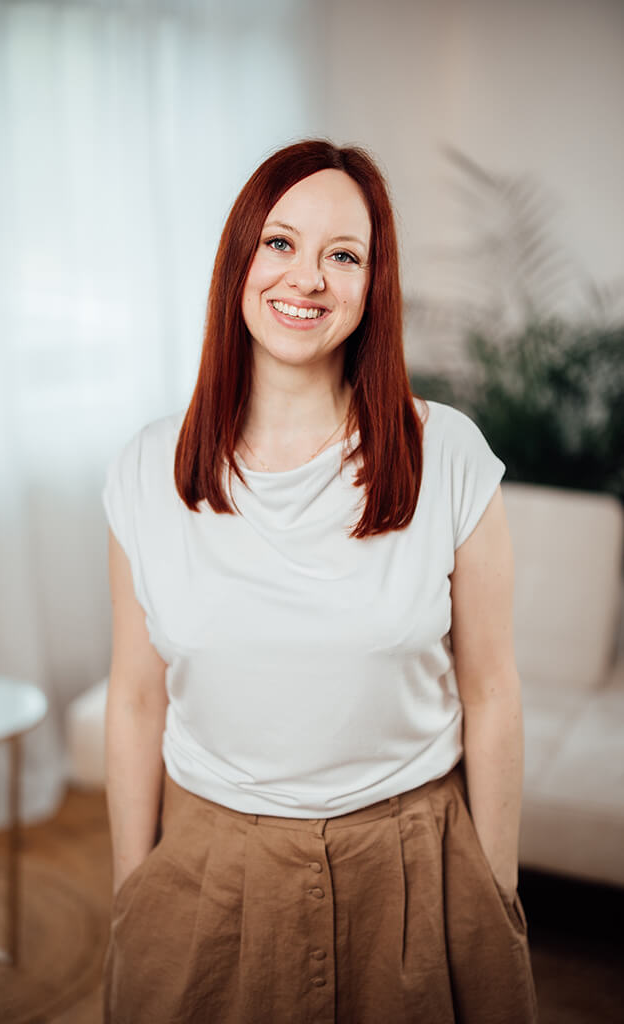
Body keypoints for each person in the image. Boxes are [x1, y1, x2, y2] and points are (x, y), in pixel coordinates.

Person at [101, 139, 538, 1023]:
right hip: (208, 864)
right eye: (280, 243)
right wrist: (132, 890)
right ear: (239, 260)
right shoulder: (146, 467)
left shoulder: (447, 454)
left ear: (373, 285)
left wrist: (492, 895)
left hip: (415, 863)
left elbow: (491, 690)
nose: (306, 278)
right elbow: (137, 699)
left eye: (343, 255)